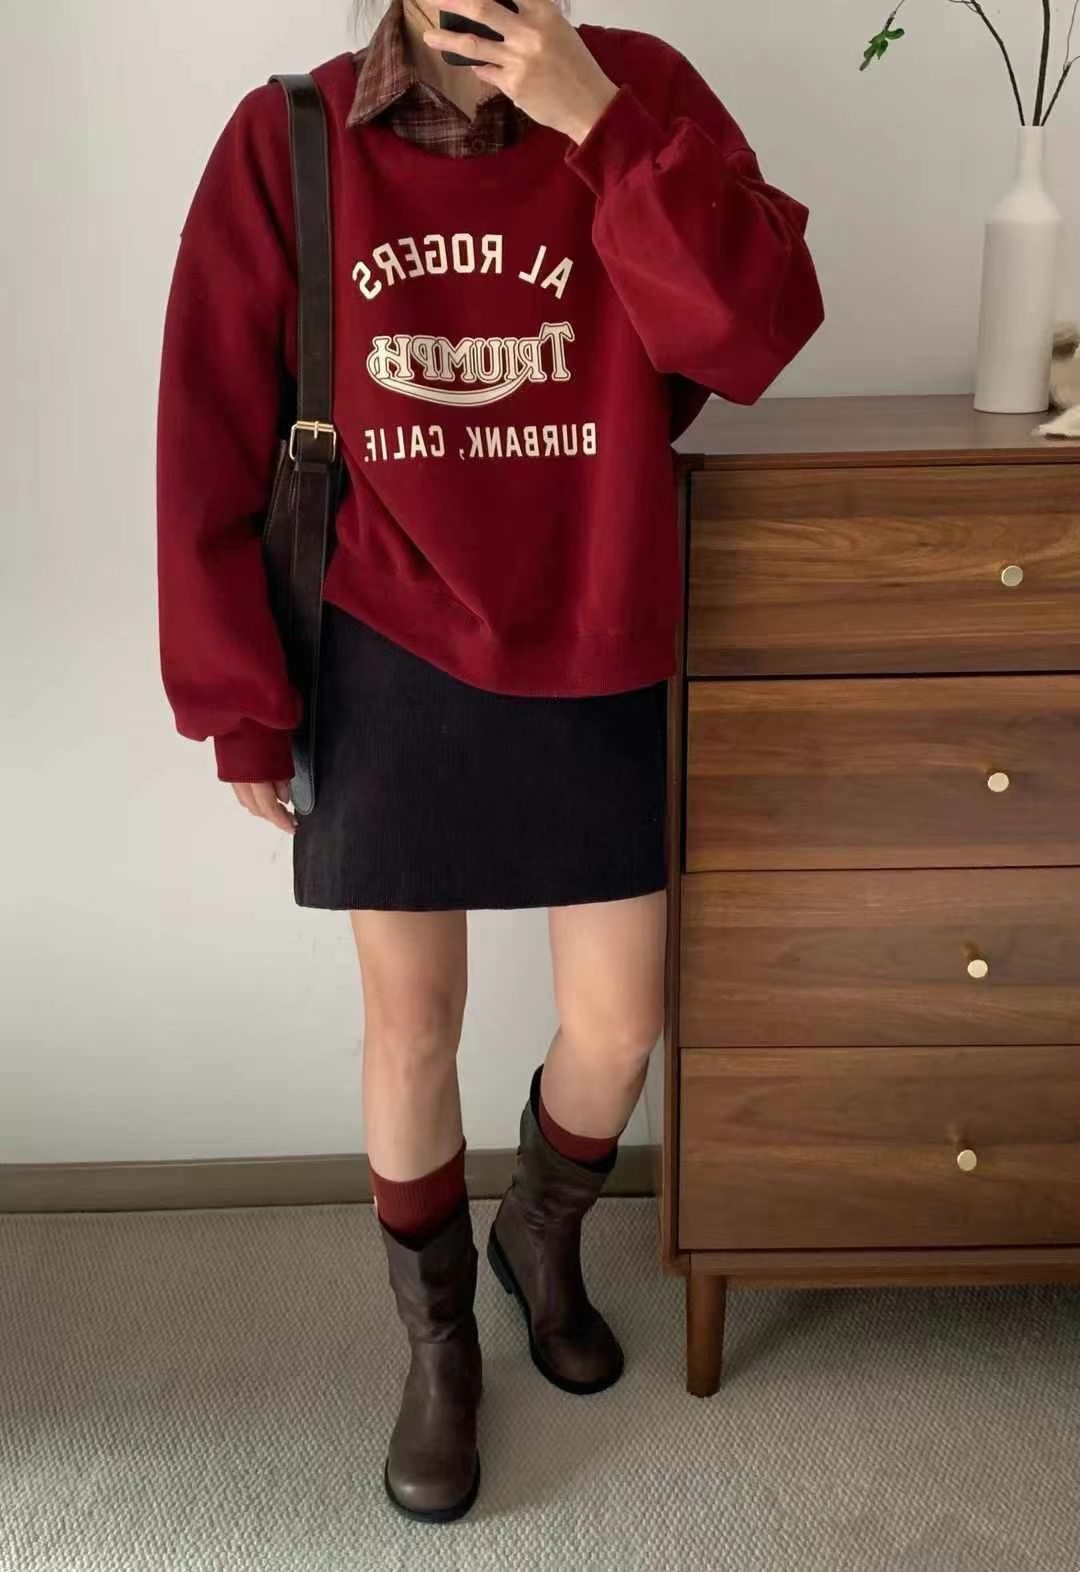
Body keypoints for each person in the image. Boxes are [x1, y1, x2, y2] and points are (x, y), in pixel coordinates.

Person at [156, 0, 824, 1524]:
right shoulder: (293, 134)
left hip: (595, 616)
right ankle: (440, 1342)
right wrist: (239, 700)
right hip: (380, 641)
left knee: (622, 1022)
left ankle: (540, 1229)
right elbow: (210, 423)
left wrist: (601, 124)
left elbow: (754, 333)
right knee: (412, 1028)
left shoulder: (643, 90)